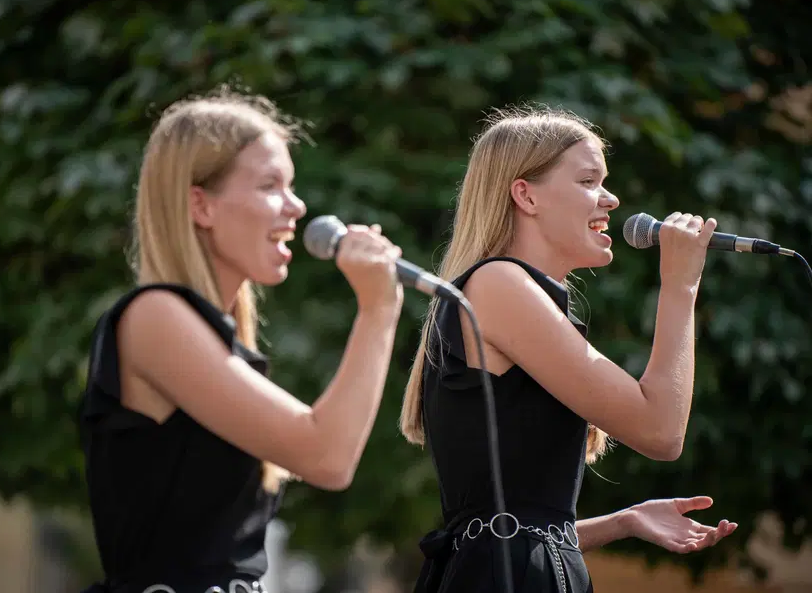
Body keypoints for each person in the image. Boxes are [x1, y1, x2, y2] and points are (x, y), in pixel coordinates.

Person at [399, 108, 738, 593]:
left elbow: (507, 529)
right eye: (588, 180)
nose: (611, 198)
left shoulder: (509, 292)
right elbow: (661, 432)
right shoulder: (499, 283)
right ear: (526, 195)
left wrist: (624, 521)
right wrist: (680, 286)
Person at [78, 90, 404, 593]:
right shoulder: (154, 317)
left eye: (291, 186)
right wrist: (377, 309)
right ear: (200, 205)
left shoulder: (214, 336)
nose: (295, 207)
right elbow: (326, 456)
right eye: (270, 185)